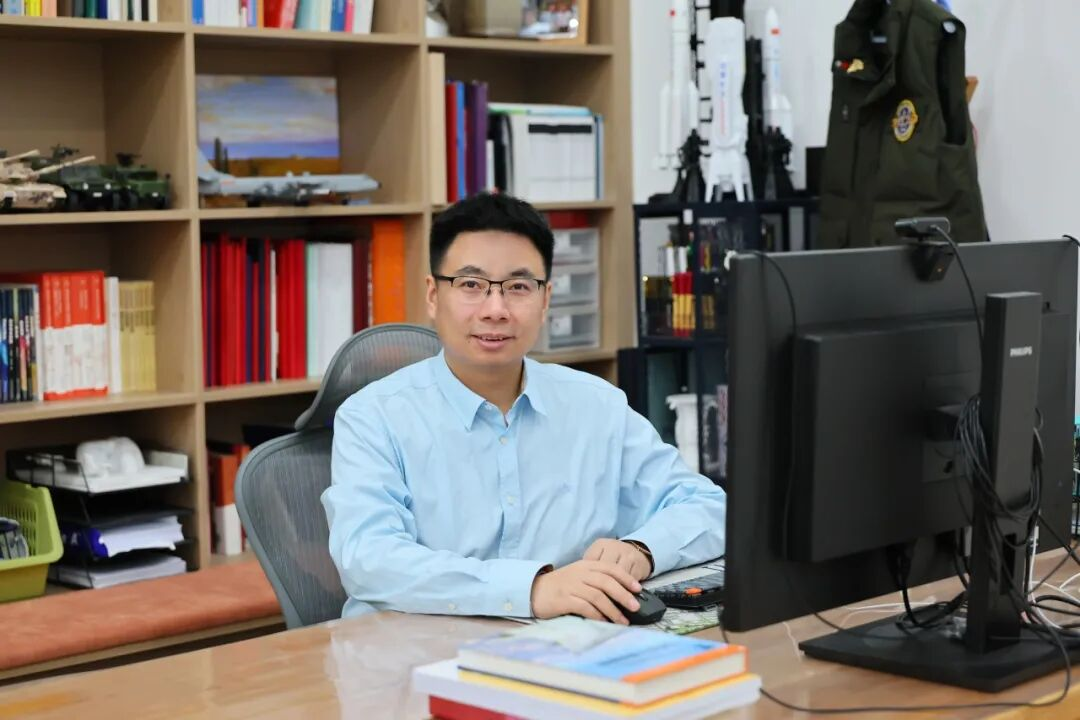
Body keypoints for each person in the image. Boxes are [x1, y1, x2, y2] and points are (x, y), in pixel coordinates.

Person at [322, 193, 726, 625]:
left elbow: (708, 507)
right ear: (433, 295)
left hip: (567, 648)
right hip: (413, 653)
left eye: (518, 287)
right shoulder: (373, 417)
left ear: (546, 299)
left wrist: (642, 550)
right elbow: (368, 559)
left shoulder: (597, 405)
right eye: (471, 285)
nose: (496, 310)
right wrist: (530, 590)